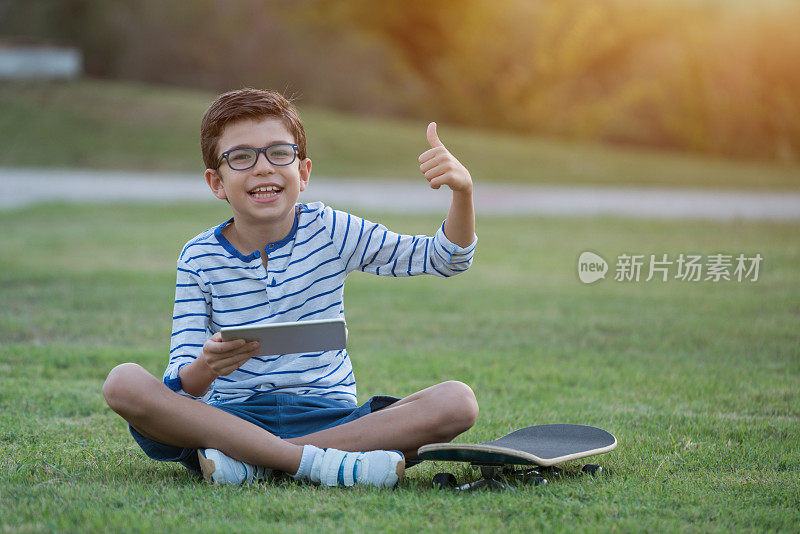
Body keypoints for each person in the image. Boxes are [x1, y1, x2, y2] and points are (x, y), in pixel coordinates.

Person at [102, 88, 479, 489]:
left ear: (303, 173)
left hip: (330, 419)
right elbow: (182, 385)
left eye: (279, 153)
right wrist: (206, 367)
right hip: (232, 419)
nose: (263, 168)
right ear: (217, 182)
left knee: (457, 401)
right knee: (123, 383)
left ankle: (257, 463)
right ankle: (323, 465)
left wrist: (463, 191)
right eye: (241, 157)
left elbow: (445, 258)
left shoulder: (332, 230)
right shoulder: (198, 258)